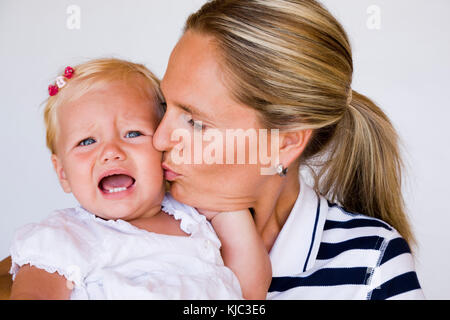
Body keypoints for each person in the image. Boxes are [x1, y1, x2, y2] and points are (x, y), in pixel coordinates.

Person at [151, 0, 425, 299]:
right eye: (165, 105)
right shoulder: (122, 225)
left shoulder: (371, 265)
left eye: (195, 123)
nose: (159, 139)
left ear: (285, 143)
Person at [8, 58, 271, 300]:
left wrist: (226, 206)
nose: (111, 152)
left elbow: (249, 289)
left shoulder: (195, 215)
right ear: (63, 173)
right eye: (86, 141)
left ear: (164, 148)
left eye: (133, 133)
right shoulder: (64, 236)